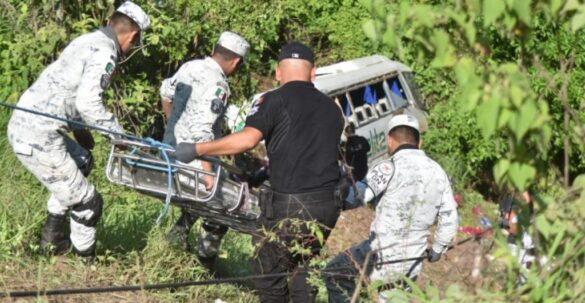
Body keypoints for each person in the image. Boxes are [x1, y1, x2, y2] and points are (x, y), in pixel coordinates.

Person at [173, 42, 344, 303]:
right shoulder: (333, 110)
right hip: (328, 206)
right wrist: (264, 174)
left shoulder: (273, 99)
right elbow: (307, 153)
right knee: (301, 267)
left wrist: (197, 149)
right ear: (313, 73)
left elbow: (247, 140)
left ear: (278, 73)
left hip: (289, 206)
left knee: (269, 276)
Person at [6, 1, 150, 261]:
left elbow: (66, 89)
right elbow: (88, 102)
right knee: (89, 203)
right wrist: (120, 137)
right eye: (137, 41)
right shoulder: (106, 52)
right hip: (40, 136)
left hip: (26, 125)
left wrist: (80, 128)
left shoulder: (86, 40)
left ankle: (52, 239)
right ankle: (85, 263)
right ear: (133, 34)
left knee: (82, 160)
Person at [324, 114, 459, 303]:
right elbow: (449, 215)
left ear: (389, 140)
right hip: (413, 260)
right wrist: (438, 248)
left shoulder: (389, 167)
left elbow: (360, 196)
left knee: (335, 272)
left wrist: (334, 194)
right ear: (419, 141)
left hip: (381, 255)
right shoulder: (437, 171)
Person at [159, 31, 250, 268]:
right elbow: (203, 133)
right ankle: (205, 262)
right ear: (237, 61)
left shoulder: (191, 67)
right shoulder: (218, 85)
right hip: (193, 160)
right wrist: (209, 174)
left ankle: (177, 236)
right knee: (226, 204)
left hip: (170, 151)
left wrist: (173, 127)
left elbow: (165, 92)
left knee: (209, 193)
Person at [343, 124, 370, 208]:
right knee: (362, 189)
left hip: (353, 172)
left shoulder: (346, 144)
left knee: (352, 194)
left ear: (346, 133)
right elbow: (368, 148)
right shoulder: (362, 140)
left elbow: (344, 159)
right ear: (354, 130)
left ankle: (353, 205)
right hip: (364, 169)